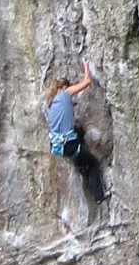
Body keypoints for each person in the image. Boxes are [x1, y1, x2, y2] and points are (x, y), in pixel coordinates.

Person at [43, 62, 106, 205]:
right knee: (94, 163)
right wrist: (86, 66)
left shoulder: (49, 104)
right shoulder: (65, 94)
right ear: (64, 87)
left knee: (78, 130)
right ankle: (99, 197)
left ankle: (82, 168)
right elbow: (87, 82)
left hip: (58, 146)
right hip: (69, 144)